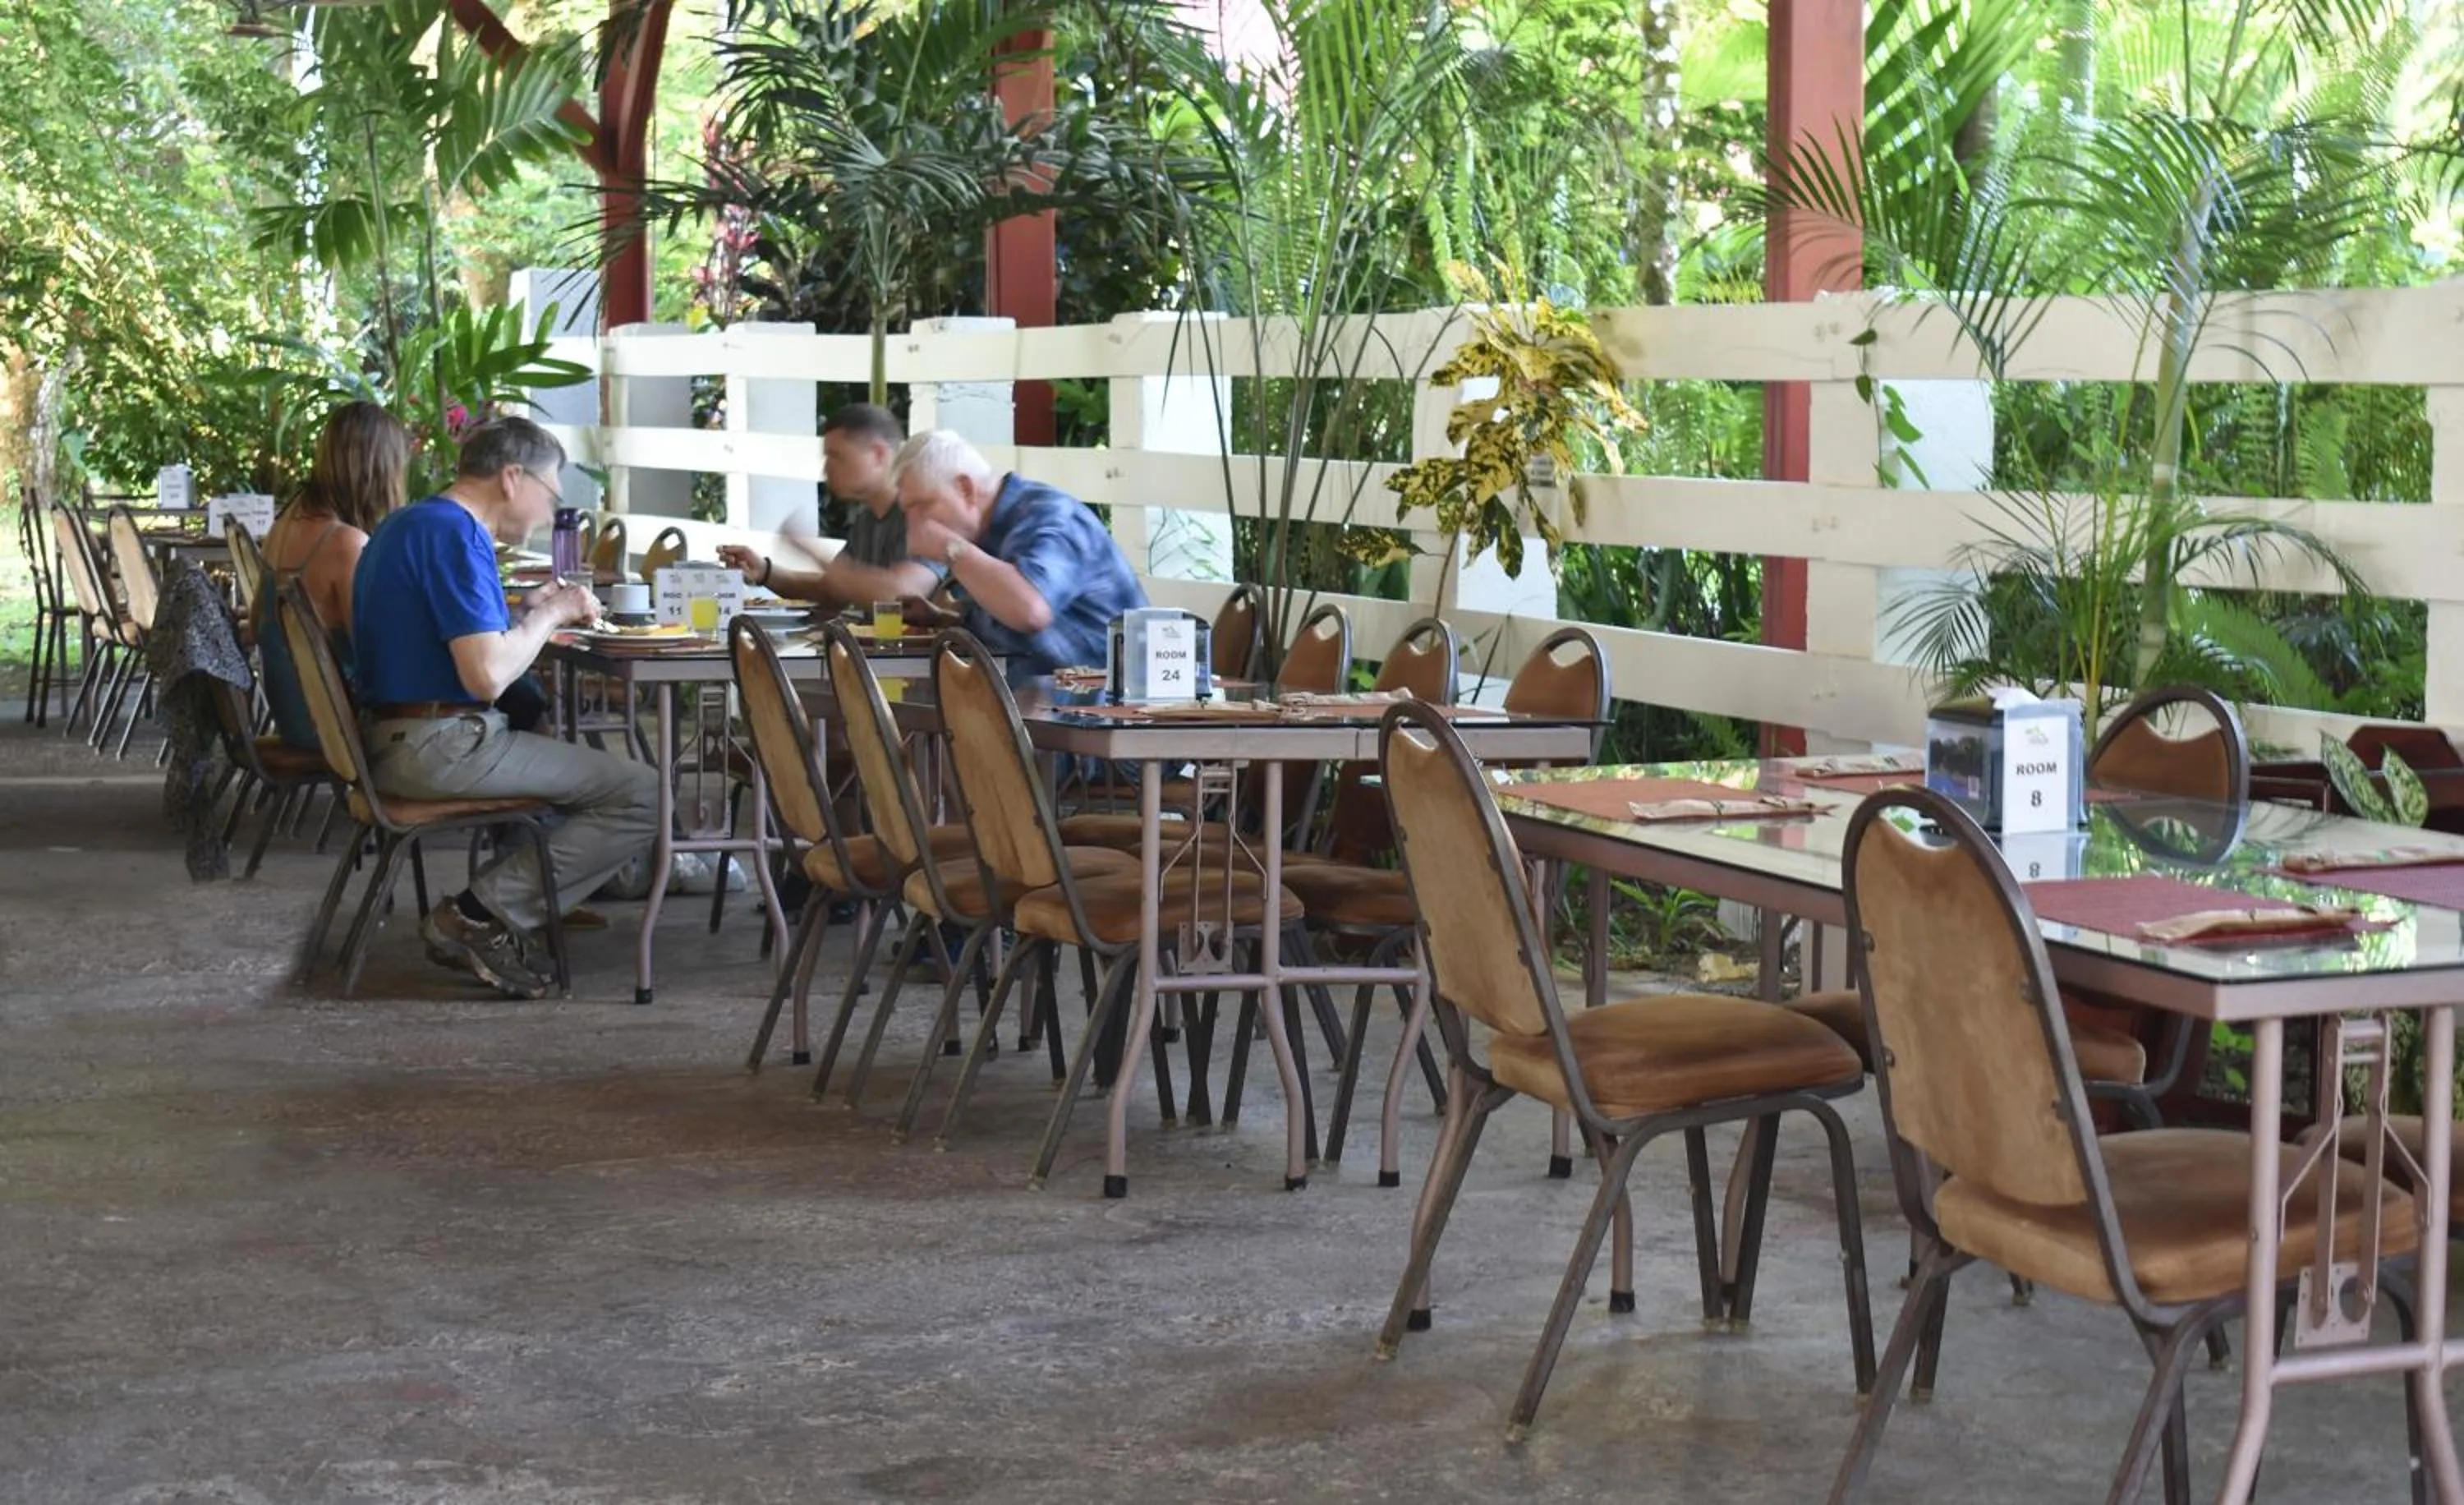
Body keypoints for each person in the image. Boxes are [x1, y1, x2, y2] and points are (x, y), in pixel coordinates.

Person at [352, 417, 660, 999]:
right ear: (513, 477)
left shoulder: (412, 523)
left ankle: (521, 904)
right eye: (552, 495)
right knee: (645, 792)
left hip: (401, 735)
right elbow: (488, 674)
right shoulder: (455, 533)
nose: (550, 514)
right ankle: (477, 914)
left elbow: (459, 643)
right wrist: (552, 615)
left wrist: (525, 610)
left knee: (570, 760)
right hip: (436, 745)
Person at [890, 430, 1147, 682]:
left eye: (922, 506)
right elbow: (1009, 626)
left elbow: (1030, 611)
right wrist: (943, 618)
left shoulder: (1051, 516)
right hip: (1036, 704)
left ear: (965, 488)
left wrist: (951, 548)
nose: (915, 523)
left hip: (1114, 705)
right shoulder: (984, 531)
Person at [256, 403, 411, 749]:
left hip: (295, 712)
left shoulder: (285, 524)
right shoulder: (345, 542)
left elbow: (256, 626)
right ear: (379, 469)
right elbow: (377, 655)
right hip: (332, 725)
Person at [716, 404, 942, 609]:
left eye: (836, 457)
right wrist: (765, 571)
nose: (826, 469)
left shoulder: (923, 515)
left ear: (878, 455)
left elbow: (899, 595)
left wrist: (811, 551)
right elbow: (833, 589)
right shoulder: (868, 520)